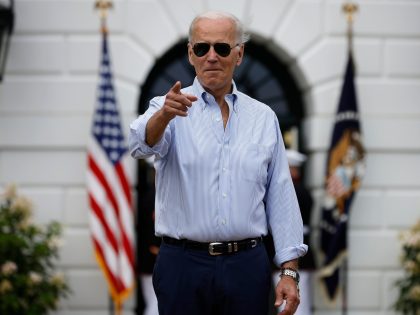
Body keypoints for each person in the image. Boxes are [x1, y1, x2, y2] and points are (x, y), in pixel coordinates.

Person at [129, 11, 307, 315]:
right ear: (190, 54)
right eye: (202, 48)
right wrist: (164, 116)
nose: (211, 56)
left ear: (239, 54)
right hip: (182, 265)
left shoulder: (264, 117)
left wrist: (289, 271)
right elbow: (139, 144)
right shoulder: (167, 106)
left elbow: (281, 195)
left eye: (222, 48)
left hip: (246, 265)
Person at [271, 149, 315, 315]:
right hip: (303, 254)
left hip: (291, 253)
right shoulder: (304, 190)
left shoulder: (293, 192)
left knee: (290, 303)